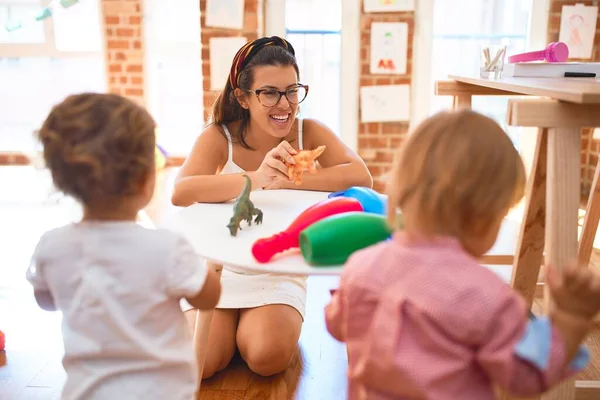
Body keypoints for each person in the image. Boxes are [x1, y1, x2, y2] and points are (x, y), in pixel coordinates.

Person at [325, 109, 600, 399]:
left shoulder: (360, 266)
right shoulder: (486, 297)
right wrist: (570, 321)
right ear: (486, 216)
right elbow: (524, 378)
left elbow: (337, 324)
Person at [171, 36, 372, 378]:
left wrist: (289, 178)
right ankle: (225, 332)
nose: (284, 104)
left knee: (267, 358)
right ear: (243, 97)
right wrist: (257, 176)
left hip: (278, 268)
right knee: (200, 363)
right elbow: (181, 192)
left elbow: (360, 176)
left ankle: (248, 330)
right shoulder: (220, 137)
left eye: (292, 90)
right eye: (269, 92)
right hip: (218, 267)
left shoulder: (310, 132)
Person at [26, 93, 221, 400]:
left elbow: (46, 300)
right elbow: (209, 297)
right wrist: (208, 269)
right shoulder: (166, 248)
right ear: (146, 179)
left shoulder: (52, 246)